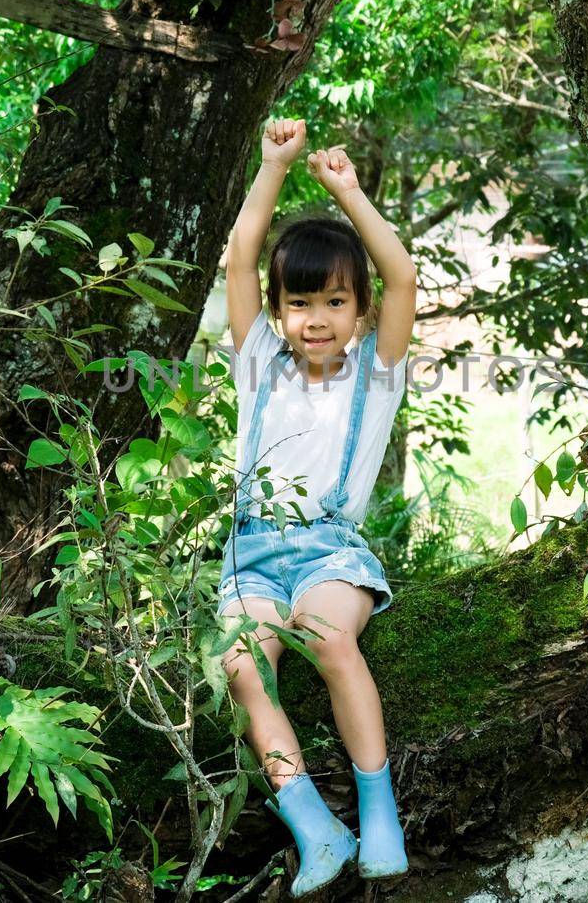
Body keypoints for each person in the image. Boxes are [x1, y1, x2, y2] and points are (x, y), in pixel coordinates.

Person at [217, 117, 418, 896]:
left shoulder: (376, 372)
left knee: (331, 637)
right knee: (242, 664)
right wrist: (272, 167)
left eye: (336, 299)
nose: (318, 317)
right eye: (300, 301)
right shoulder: (261, 364)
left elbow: (400, 276)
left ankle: (379, 814)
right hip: (252, 551)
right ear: (277, 312)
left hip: (330, 549)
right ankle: (314, 827)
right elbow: (240, 259)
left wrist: (349, 191)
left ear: (360, 312)